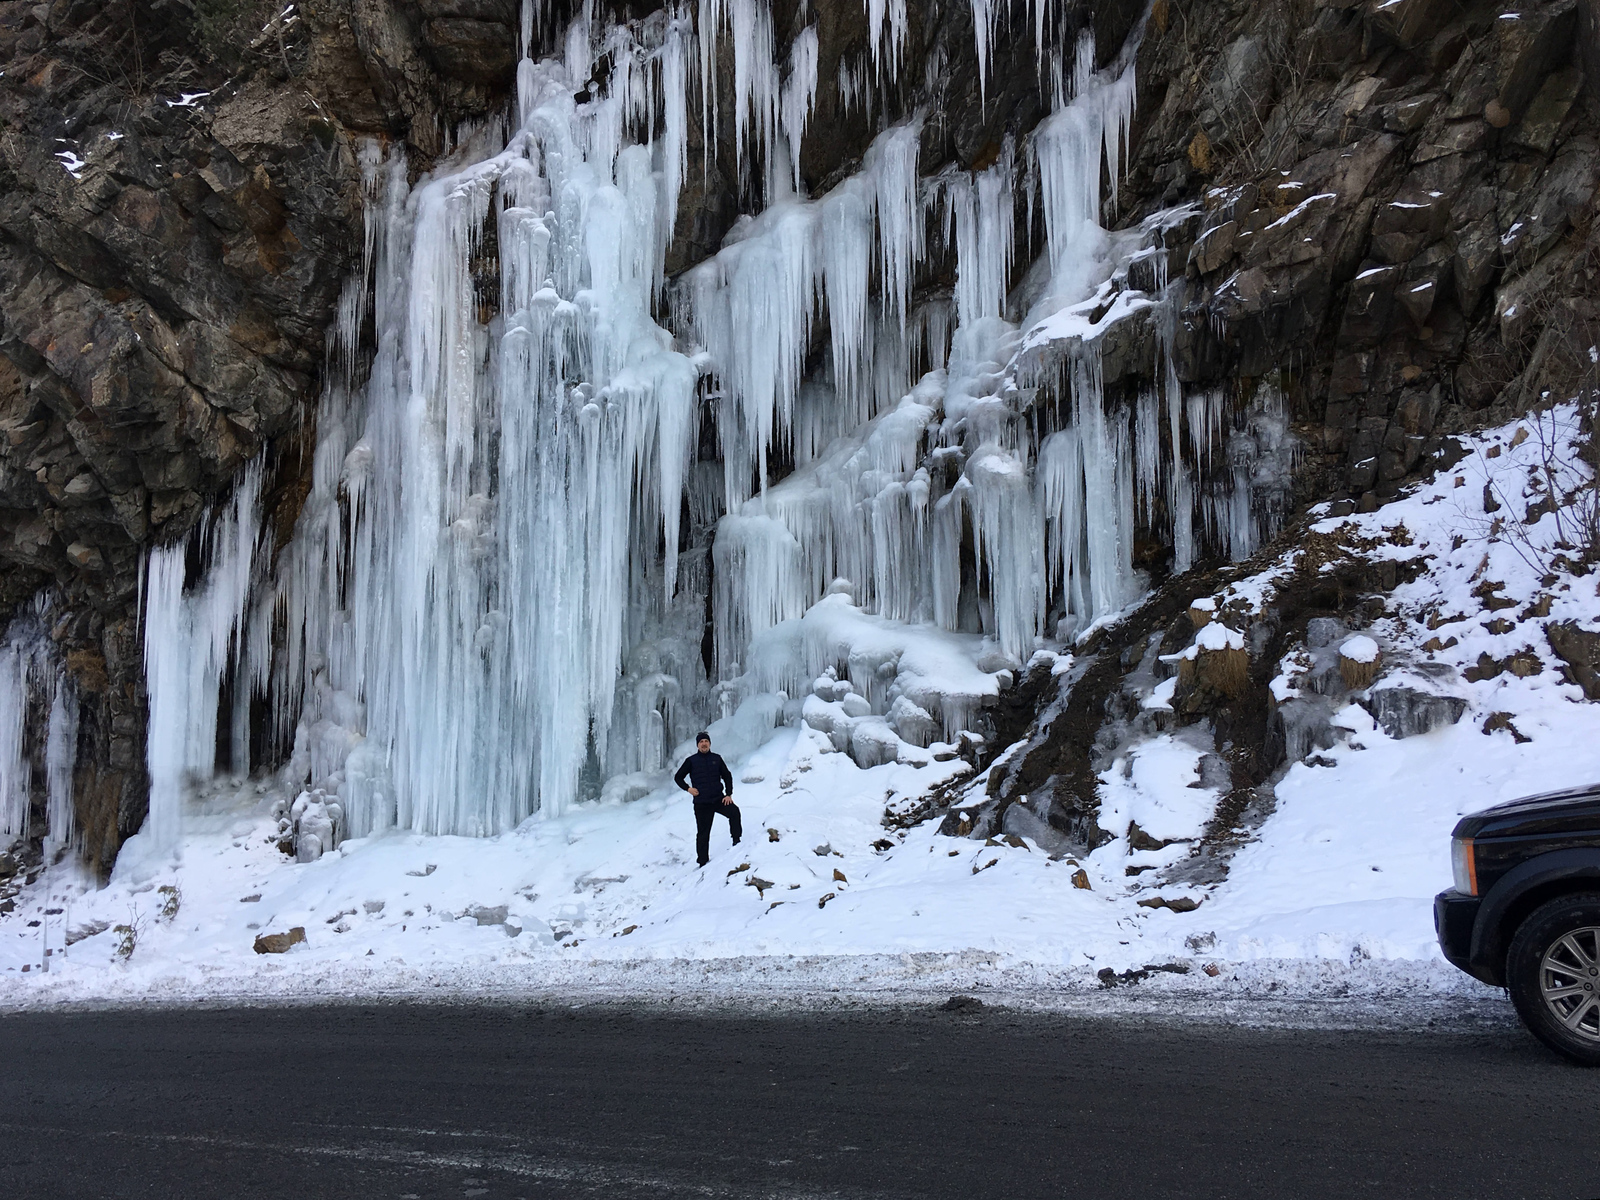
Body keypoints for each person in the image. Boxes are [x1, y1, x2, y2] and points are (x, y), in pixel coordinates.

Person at [674, 731, 740, 867]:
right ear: (697, 745)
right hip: (702, 803)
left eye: (706, 741)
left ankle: (736, 841)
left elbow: (727, 776)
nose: (704, 744)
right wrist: (688, 789)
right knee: (703, 833)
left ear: (710, 743)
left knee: (734, 812)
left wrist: (728, 794)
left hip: (718, 799)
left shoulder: (717, 758)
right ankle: (702, 862)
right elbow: (678, 777)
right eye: (701, 742)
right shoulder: (691, 761)